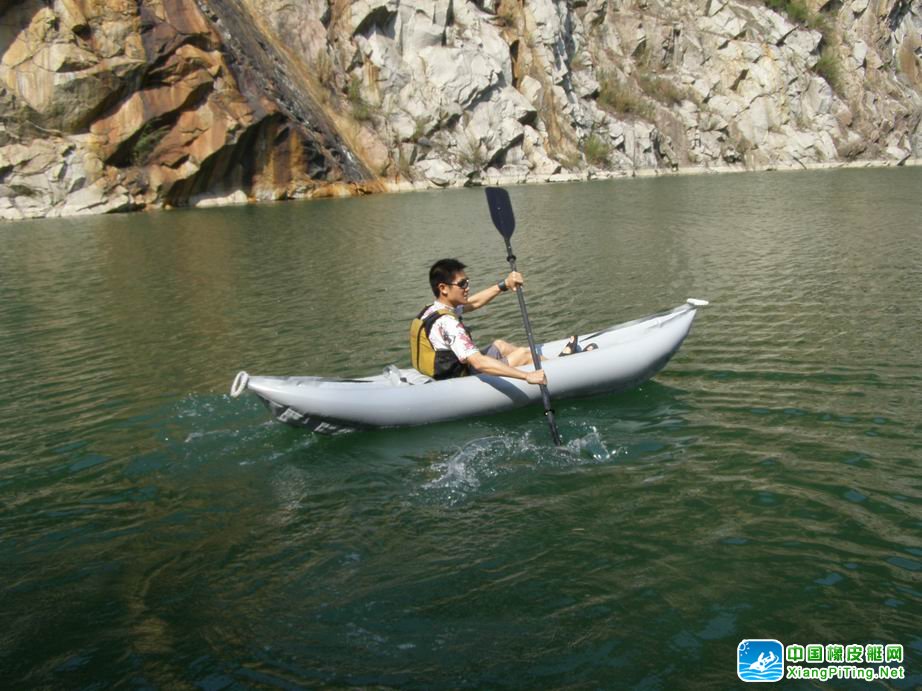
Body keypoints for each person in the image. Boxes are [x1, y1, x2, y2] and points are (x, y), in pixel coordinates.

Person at [410, 258, 548, 385]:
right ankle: (554, 369)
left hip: (445, 370)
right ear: (443, 288)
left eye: (467, 282)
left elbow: (473, 303)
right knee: (523, 355)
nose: (467, 288)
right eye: (462, 284)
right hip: (457, 381)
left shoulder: (433, 310)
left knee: (500, 345)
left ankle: (552, 363)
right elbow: (479, 363)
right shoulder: (448, 323)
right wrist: (526, 376)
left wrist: (504, 285)